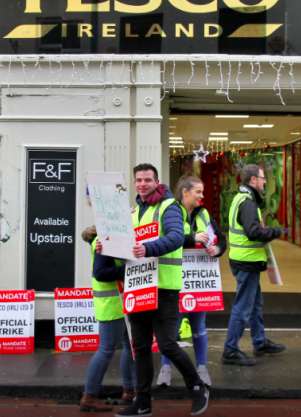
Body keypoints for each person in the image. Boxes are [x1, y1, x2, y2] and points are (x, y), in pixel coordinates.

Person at [112, 163, 209, 417]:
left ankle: (197, 387)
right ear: (134, 183)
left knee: (167, 344)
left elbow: (177, 237)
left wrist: (147, 248)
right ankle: (143, 403)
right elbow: (126, 246)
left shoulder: (169, 206)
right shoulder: (132, 212)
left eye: (147, 180)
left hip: (164, 287)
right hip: (138, 286)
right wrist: (106, 247)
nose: (142, 184)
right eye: (138, 180)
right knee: (141, 347)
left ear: (157, 181)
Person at [157, 176, 227, 388]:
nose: (202, 196)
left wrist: (218, 249)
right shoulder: (171, 210)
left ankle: (202, 368)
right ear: (185, 192)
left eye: (203, 192)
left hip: (198, 282)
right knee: (171, 329)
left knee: (198, 326)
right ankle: (165, 369)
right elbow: (167, 237)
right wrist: (193, 238)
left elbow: (222, 239)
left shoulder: (204, 214)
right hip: (174, 281)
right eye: (198, 192)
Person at [221, 164, 290, 367]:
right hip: (247, 261)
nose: (265, 181)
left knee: (254, 305)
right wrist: (275, 232)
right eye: (262, 178)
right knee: (243, 307)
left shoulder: (239, 198)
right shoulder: (249, 202)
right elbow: (252, 233)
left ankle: (259, 343)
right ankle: (230, 350)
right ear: (253, 180)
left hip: (243, 260)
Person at [80, 225, 137, 412]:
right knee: (106, 350)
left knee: (129, 347)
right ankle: (89, 396)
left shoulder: (107, 239)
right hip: (113, 306)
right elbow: (101, 272)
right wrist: (131, 271)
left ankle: (130, 392)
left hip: (120, 304)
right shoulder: (105, 241)